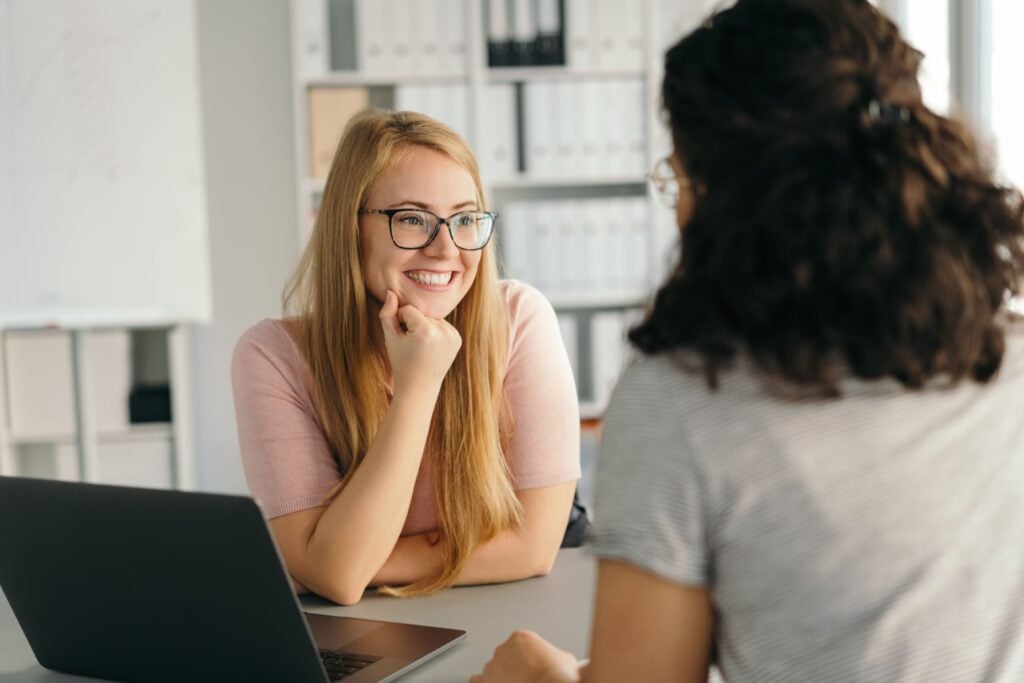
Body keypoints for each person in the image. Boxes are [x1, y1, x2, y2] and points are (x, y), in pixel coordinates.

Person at [472, 0, 1024, 680]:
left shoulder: (685, 401)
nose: (676, 204)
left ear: (728, 198)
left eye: (679, 175)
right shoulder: (1010, 353)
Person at [231, 110, 581, 605]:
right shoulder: (273, 357)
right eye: (413, 219)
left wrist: (346, 561)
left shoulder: (519, 318)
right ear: (350, 228)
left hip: (514, 612)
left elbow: (533, 547)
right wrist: (417, 388)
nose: (446, 249)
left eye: (464, 219)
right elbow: (335, 576)